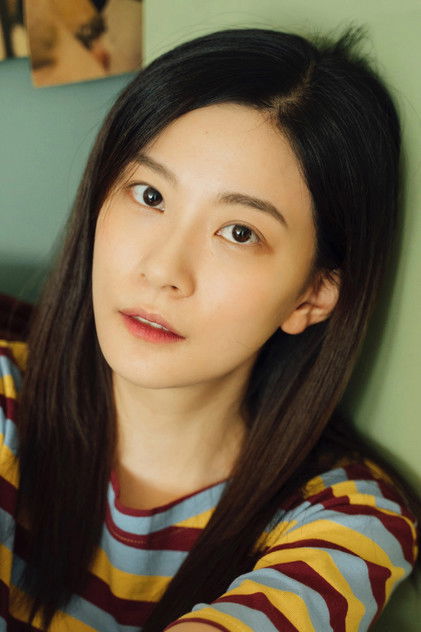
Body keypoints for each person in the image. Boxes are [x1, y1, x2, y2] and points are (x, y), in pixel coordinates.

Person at [0, 26, 419, 632]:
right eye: (149, 195)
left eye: (239, 232)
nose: (163, 270)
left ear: (312, 295)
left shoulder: (348, 522)